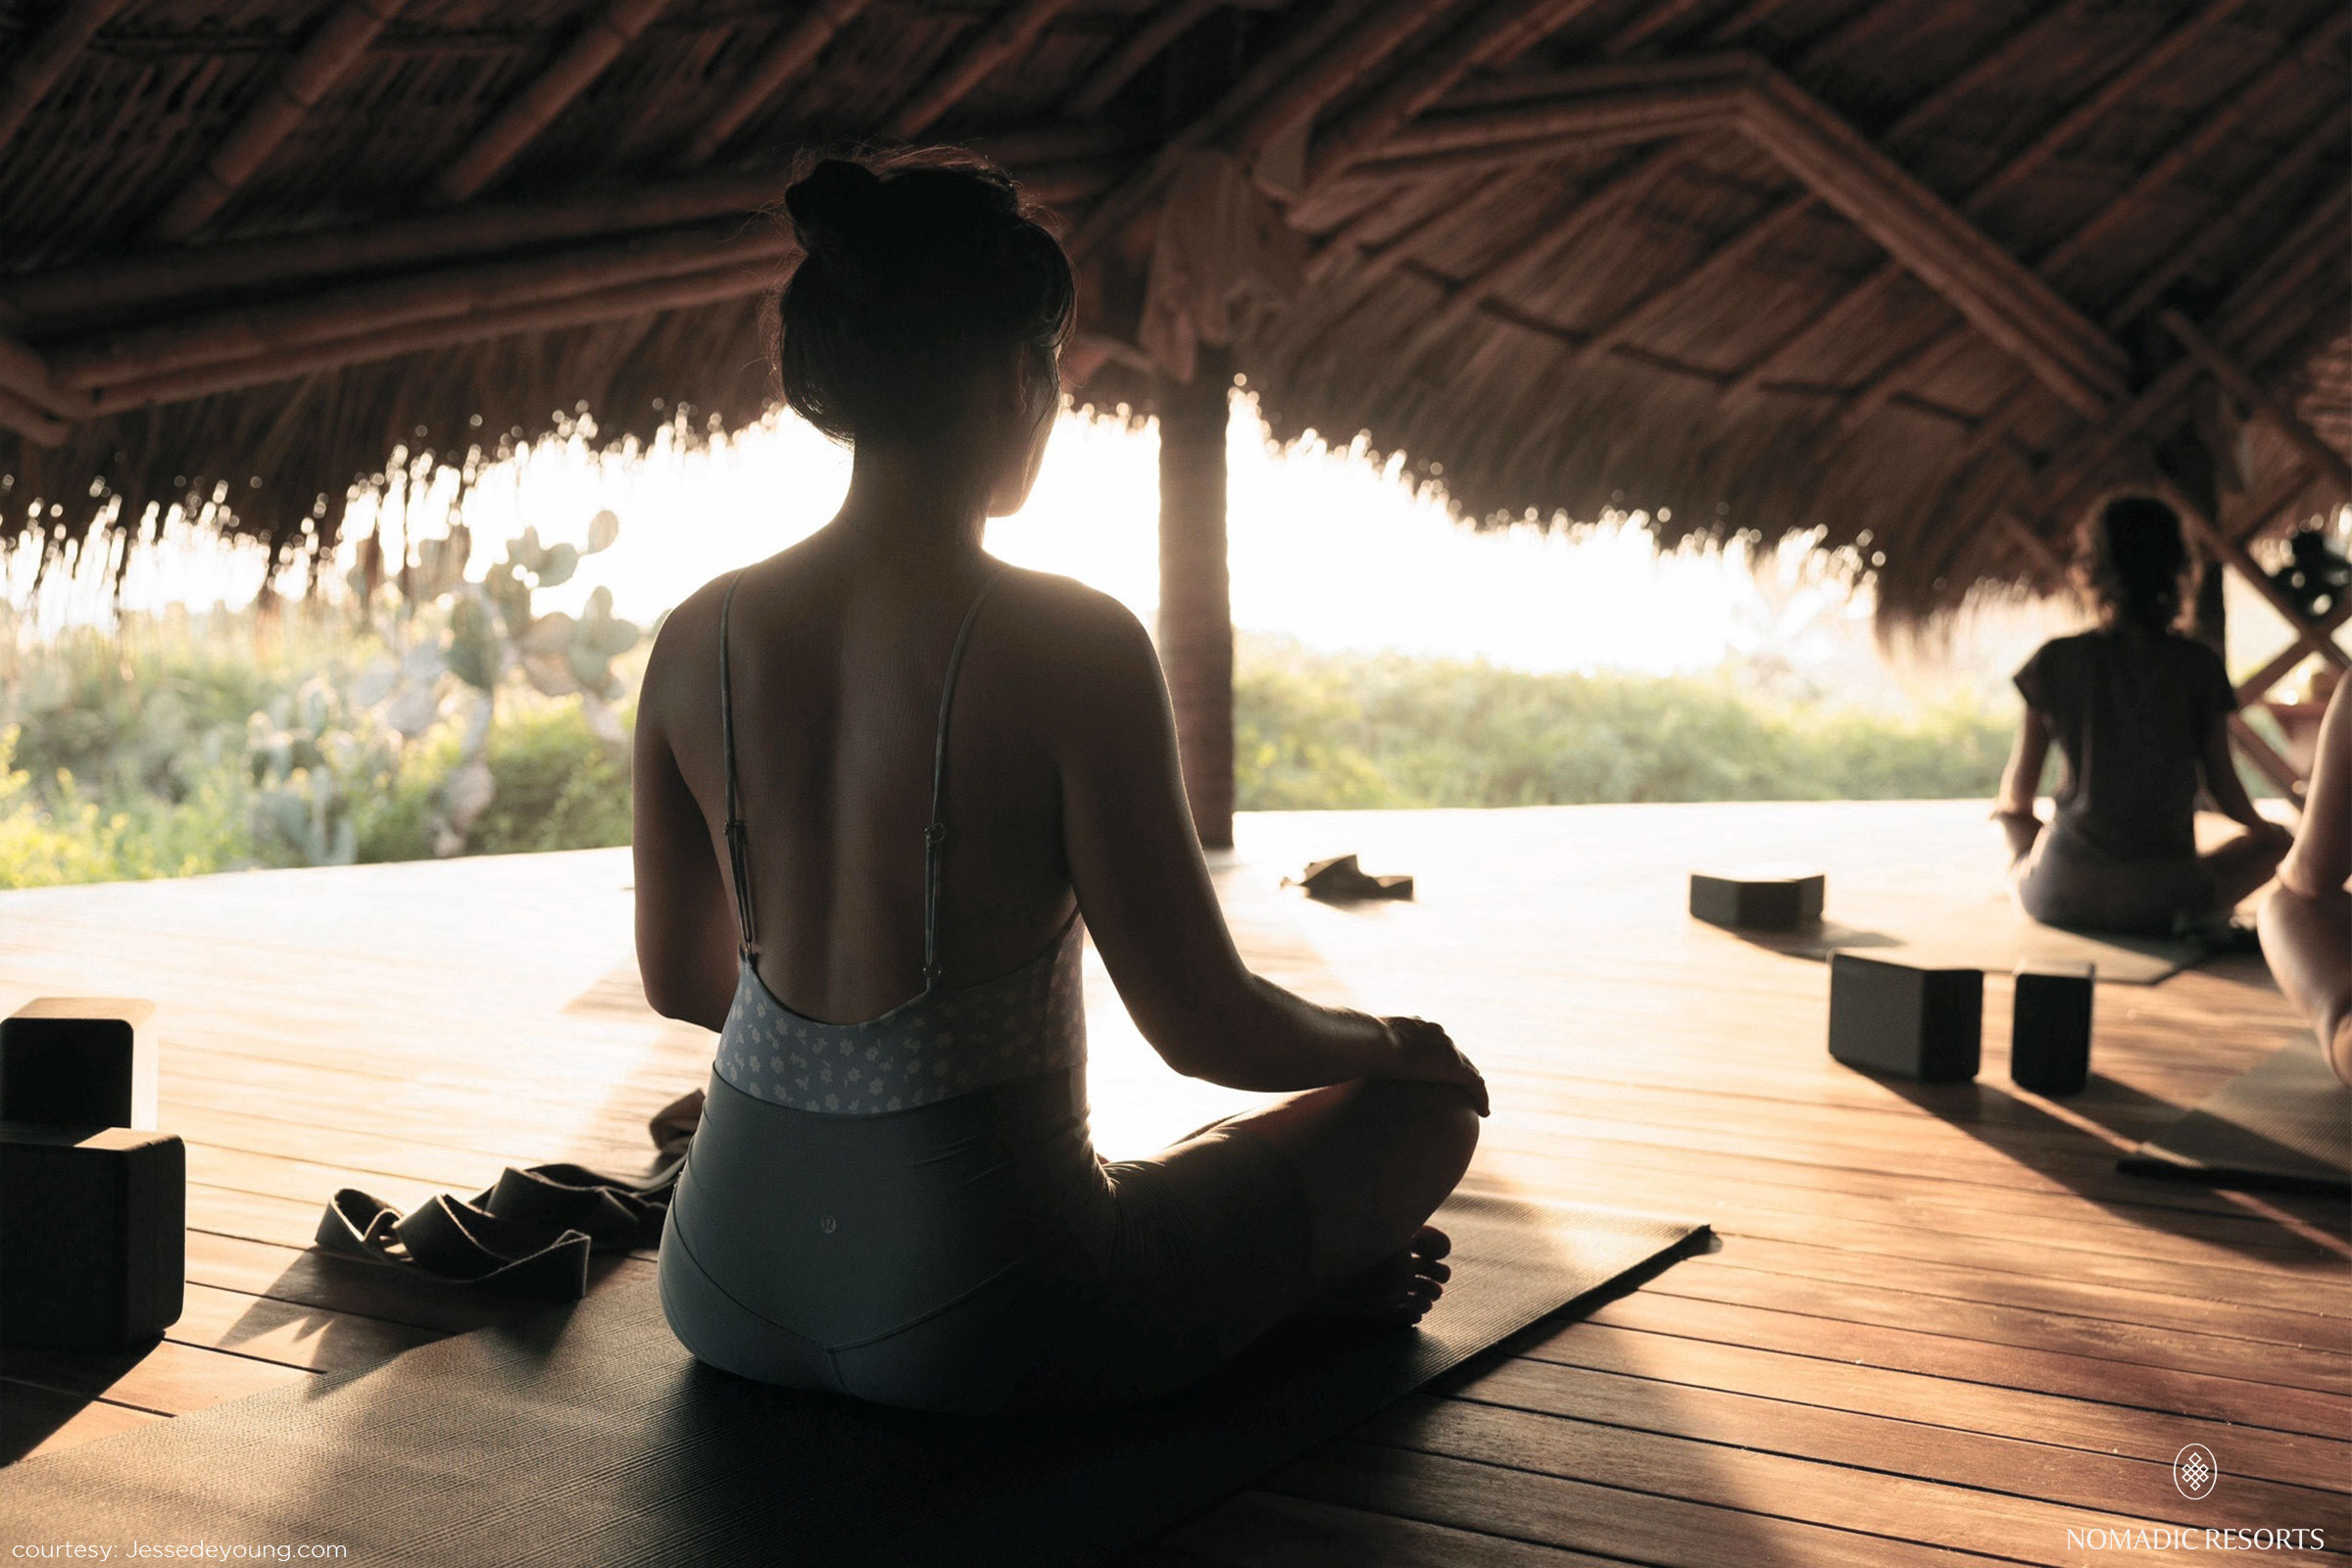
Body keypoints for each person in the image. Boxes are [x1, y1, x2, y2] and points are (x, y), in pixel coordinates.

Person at [629, 151, 1485, 1416]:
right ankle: (1283, 1283)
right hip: (993, 1317)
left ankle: (1237, 1263)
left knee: (1144, 1180)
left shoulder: (699, 631)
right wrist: (1393, 1044)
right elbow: (1206, 1029)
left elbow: (688, 983)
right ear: (1012, 378)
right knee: (1421, 1118)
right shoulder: (1071, 640)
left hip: (719, 1290)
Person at [1994, 493, 2291, 936]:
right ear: (2178, 569)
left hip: (2061, 891)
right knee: (2279, 843)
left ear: (2092, 567)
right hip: (2167, 901)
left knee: (2013, 821)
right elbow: (2224, 790)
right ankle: (2187, 900)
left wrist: (2019, 823)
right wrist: (2266, 831)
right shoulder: (2198, 665)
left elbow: (2018, 793)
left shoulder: (2055, 660)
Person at [2259, 677, 2351, 1082]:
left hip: (2059, 888)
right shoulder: (2197, 667)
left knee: (2285, 901)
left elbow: (2310, 876)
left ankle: (2342, 1027)